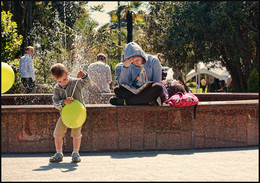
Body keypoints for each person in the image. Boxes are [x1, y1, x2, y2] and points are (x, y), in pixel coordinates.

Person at [49, 63, 90, 163]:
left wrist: (84, 76)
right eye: (59, 81)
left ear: (67, 74)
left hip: (77, 114)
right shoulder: (57, 89)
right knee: (57, 133)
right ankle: (59, 153)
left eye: (64, 79)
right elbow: (55, 102)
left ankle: (76, 153)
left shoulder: (75, 82)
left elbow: (86, 83)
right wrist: (63, 102)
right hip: (65, 115)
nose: (63, 82)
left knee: (76, 133)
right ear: (55, 79)